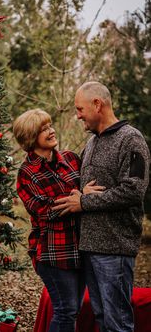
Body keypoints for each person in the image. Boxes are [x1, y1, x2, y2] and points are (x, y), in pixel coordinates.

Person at [54, 81, 150, 332]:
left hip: (114, 249)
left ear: (97, 104)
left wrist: (84, 202)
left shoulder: (131, 139)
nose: (77, 116)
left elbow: (134, 190)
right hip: (89, 248)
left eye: (80, 109)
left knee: (117, 322)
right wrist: (80, 194)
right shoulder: (93, 143)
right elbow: (82, 187)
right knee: (101, 319)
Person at [13, 108, 104, 332]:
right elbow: (45, 210)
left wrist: (81, 198)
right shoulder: (27, 173)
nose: (51, 131)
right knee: (66, 310)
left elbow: (90, 191)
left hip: (80, 248)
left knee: (73, 310)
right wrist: (80, 198)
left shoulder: (72, 159)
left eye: (50, 126)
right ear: (30, 137)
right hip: (52, 252)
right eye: (43, 129)